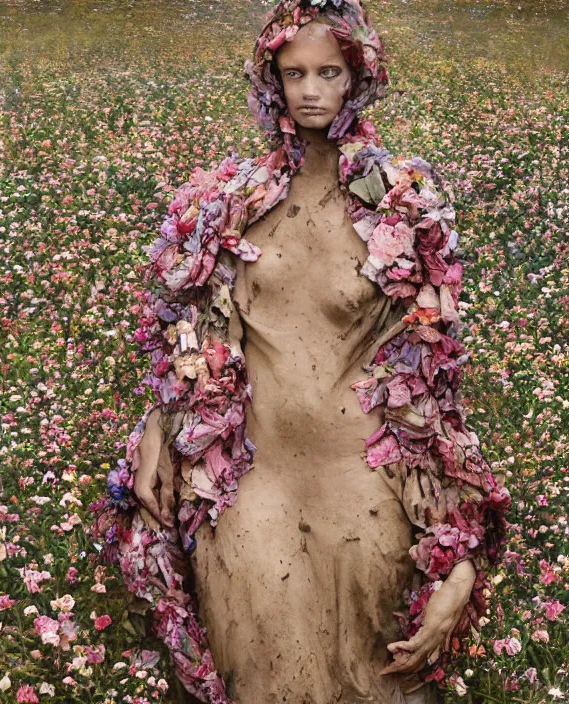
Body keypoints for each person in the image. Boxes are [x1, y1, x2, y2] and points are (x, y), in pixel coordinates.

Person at [94, 1, 512, 703]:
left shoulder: (406, 207)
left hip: (366, 493)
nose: (312, 89)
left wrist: (460, 559)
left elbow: (433, 389)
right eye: (295, 73)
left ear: (358, 78)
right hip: (251, 487)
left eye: (329, 72)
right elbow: (185, 340)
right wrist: (158, 435)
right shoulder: (222, 204)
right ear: (271, 80)